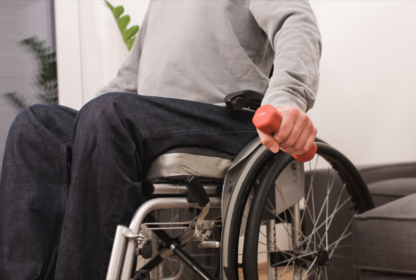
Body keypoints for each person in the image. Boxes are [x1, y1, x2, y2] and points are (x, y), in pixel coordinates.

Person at [0, 0, 321, 279]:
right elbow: (126, 81)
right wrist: (80, 126)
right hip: (157, 121)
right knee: (36, 125)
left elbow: (297, 23)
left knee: (107, 114)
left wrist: (287, 97)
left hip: (227, 119)